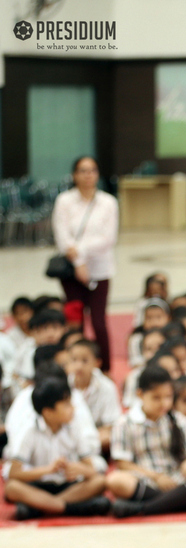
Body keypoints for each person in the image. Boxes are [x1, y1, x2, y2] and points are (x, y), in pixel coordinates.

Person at [107, 366, 186, 517]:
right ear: (140, 394)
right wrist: (156, 477)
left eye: (168, 397)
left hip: (176, 479)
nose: (164, 403)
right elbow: (123, 464)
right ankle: (185, 502)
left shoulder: (177, 419)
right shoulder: (125, 423)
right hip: (146, 480)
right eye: (156, 397)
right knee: (115, 480)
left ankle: (144, 509)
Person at [2, 378, 110, 520]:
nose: (73, 408)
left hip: (67, 486)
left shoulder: (74, 427)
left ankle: (45, 507)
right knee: (12, 488)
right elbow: (13, 473)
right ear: (48, 412)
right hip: (39, 486)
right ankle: (68, 508)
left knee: (100, 482)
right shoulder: (29, 430)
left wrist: (78, 469)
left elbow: (91, 471)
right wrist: (48, 469)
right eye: (66, 405)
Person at [52, 156, 118, 373]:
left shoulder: (108, 202)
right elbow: (62, 236)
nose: (88, 175)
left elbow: (108, 239)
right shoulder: (64, 200)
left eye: (92, 170)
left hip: (100, 271)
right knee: (75, 323)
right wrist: (79, 263)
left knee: (99, 323)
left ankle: (105, 368)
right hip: (71, 273)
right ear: (74, 175)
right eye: (82, 170)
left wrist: (79, 252)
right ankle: (75, 368)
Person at [68, 339, 121, 450]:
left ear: (97, 363)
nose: (78, 366)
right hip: (70, 435)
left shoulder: (107, 386)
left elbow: (111, 424)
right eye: (74, 360)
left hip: (96, 436)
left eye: (84, 361)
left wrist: (89, 439)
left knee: (109, 437)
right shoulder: (63, 384)